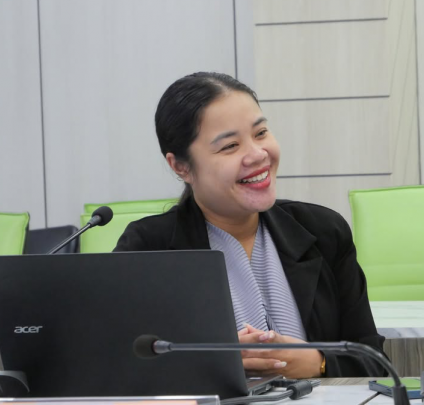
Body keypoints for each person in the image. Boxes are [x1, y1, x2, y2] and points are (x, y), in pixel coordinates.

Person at [114, 72, 387, 378]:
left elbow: (375, 363)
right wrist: (211, 366)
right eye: (230, 146)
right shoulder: (148, 247)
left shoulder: (323, 231)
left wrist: (317, 363)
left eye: (261, 133)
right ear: (181, 166)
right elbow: (117, 368)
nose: (257, 155)